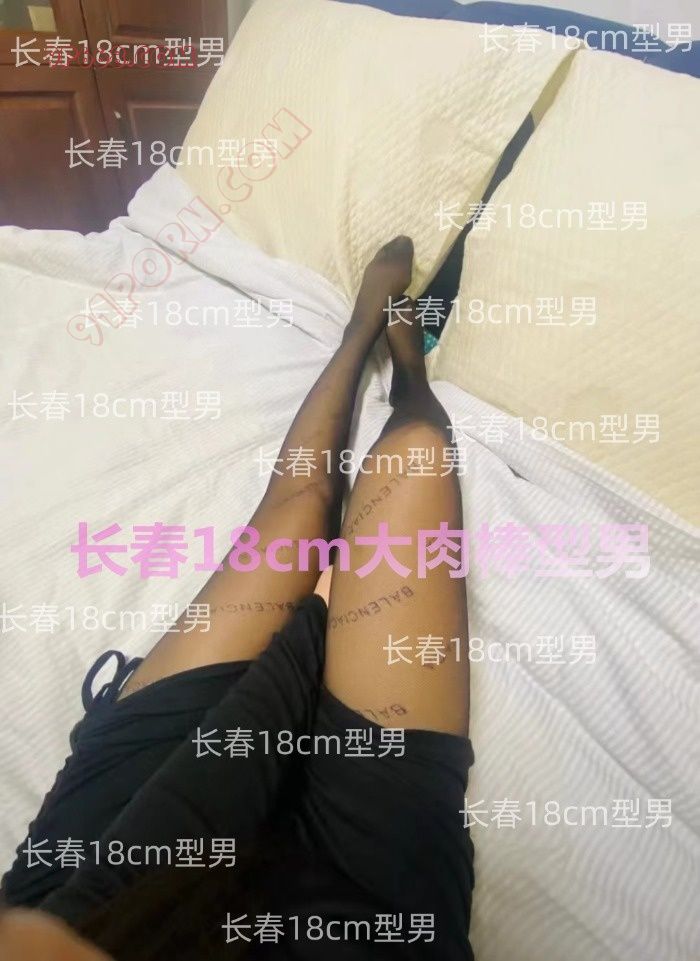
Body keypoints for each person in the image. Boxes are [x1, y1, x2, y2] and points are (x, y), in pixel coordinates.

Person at [1, 237, 474, 959]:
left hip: (105, 855)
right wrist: (321, 609)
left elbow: (189, 807)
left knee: (299, 512)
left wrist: (316, 618)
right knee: (416, 463)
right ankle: (410, 378)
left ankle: (363, 343)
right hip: (360, 905)